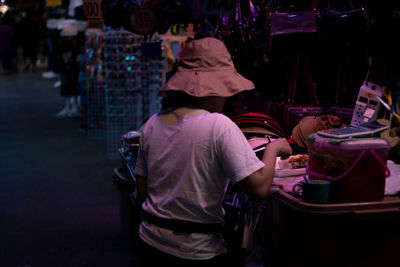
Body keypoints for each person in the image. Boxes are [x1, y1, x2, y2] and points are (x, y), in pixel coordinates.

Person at [134, 37, 292, 266]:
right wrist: (274, 147)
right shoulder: (219, 125)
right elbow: (258, 190)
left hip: (149, 243)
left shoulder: (152, 123)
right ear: (213, 90)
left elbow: (142, 190)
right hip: (197, 252)